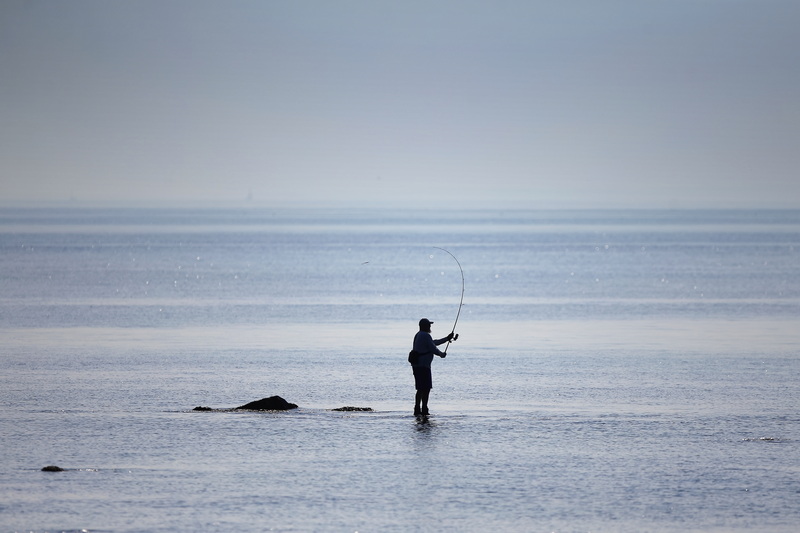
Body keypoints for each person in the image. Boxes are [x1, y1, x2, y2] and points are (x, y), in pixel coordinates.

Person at [411, 318, 454, 416]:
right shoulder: (425, 335)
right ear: (425, 326)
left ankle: (417, 409)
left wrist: (447, 338)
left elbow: (434, 343)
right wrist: (441, 354)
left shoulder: (419, 335)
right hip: (423, 366)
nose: (430, 327)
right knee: (426, 388)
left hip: (417, 366)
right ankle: (424, 409)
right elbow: (433, 348)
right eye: (429, 325)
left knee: (420, 389)